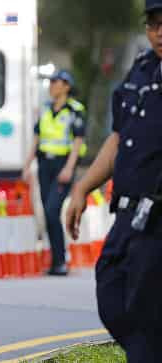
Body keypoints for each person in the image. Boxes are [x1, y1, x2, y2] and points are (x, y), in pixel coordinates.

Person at [66, 1, 162, 360]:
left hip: (158, 219)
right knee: (111, 292)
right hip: (128, 214)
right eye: (153, 24)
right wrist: (81, 187)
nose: (159, 32)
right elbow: (119, 138)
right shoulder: (140, 70)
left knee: (142, 307)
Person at [22, 69, 87, 276]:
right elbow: (37, 138)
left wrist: (69, 168)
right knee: (47, 213)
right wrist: (27, 165)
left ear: (66, 86)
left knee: (52, 211)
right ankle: (55, 260)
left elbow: (77, 142)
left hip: (62, 165)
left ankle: (60, 260)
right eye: (50, 82)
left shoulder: (75, 110)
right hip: (44, 165)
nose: (52, 86)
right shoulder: (45, 109)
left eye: (56, 82)